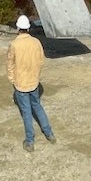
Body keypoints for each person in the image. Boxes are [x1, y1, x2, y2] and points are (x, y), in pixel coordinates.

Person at [7, 14, 56, 153]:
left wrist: (13, 79)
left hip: (21, 84)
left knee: (26, 112)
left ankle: (30, 141)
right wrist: (35, 75)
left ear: (18, 28)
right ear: (28, 28)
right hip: (34, 82)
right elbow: (41, 61)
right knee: (38, 106)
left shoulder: (14, 44)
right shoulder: (36, 42)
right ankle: (49, 134)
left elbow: (10, 64)